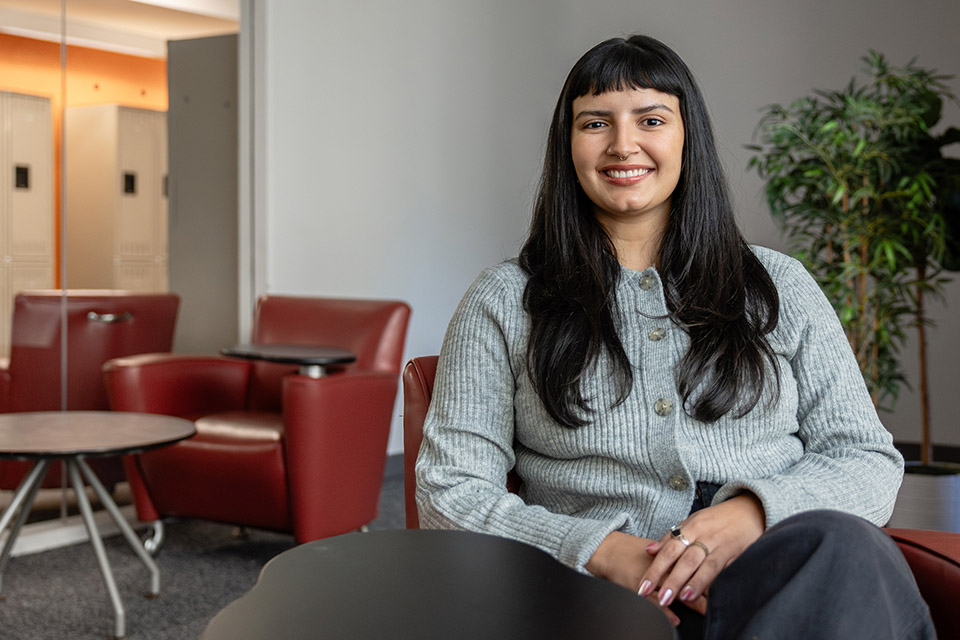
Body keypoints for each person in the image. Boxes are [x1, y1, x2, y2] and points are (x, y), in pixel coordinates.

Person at [415, 34, 934, 639]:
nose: (622, 144)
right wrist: (603, 550)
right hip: (597, 596)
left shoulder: (779, 286)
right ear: (568, 145)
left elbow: (866, 459)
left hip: (776, 570)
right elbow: (449, 493)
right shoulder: (504, 301)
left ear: (688, 137)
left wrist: (752, 515)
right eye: (595, 123)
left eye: (651, 119)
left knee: (845, 548)